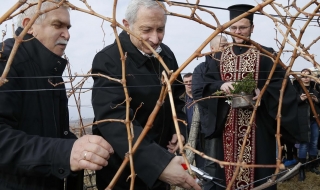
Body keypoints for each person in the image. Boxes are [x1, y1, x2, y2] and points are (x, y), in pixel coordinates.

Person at [0, 1, 114, 189]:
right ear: (30, 25)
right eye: (57, 25)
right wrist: (64, 153)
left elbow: (46, 131)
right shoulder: (5, 62)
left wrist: (80, 147)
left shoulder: (50, 70)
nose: (67, 35)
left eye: (68, 27)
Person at [91, 0, 201, 190]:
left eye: (161, 29)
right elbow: (114, 120)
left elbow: (178, 99)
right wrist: (158, 164)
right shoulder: (109, 60)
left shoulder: (166, 55)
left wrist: (179, 130)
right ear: (127, 25)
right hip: (124, 173)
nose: (155, 38)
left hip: (162, 167)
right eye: (146, 30)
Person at [201, 4, 304, 190]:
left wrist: (263, 92)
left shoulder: (267, 55)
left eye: (243, 27)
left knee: (260, 175)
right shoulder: (218, 56)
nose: (238, 32)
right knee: (227, 174)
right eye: (233, 28)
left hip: (259, 126)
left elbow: (282, 85)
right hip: (228, 126)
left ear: (252, 28)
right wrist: (221, 85)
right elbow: (205, 84)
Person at [192, 35, 228, 190]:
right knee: (212, 161)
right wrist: (220, 90)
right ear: (212, 49)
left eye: (227, 45)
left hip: (234, 122)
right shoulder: (201, 69)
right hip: (213, 121)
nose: (226, 48)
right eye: (222, 45)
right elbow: (198, 94)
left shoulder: (233, 67)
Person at [293, 68, 320, 181]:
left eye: (308, 75)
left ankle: (312, 165)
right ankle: (301, 169)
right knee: (304, 144)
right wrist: (300, 98)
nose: (306, 77)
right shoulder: (296, 88)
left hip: (314, 119)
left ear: (311, 76)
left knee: (314, 143)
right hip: (303, 120)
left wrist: (316, 100)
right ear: (300, 77)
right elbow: (292, 101)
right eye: (303, 75)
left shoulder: (315, 87)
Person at [180, 73, 205, 169]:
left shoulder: (202, 98)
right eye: (186, 82)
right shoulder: (180, 101)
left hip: (201, 137)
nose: (189, 84)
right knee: (185, 166)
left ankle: (202, 183)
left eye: (191, 81)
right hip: (186, 137)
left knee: (202, 166)